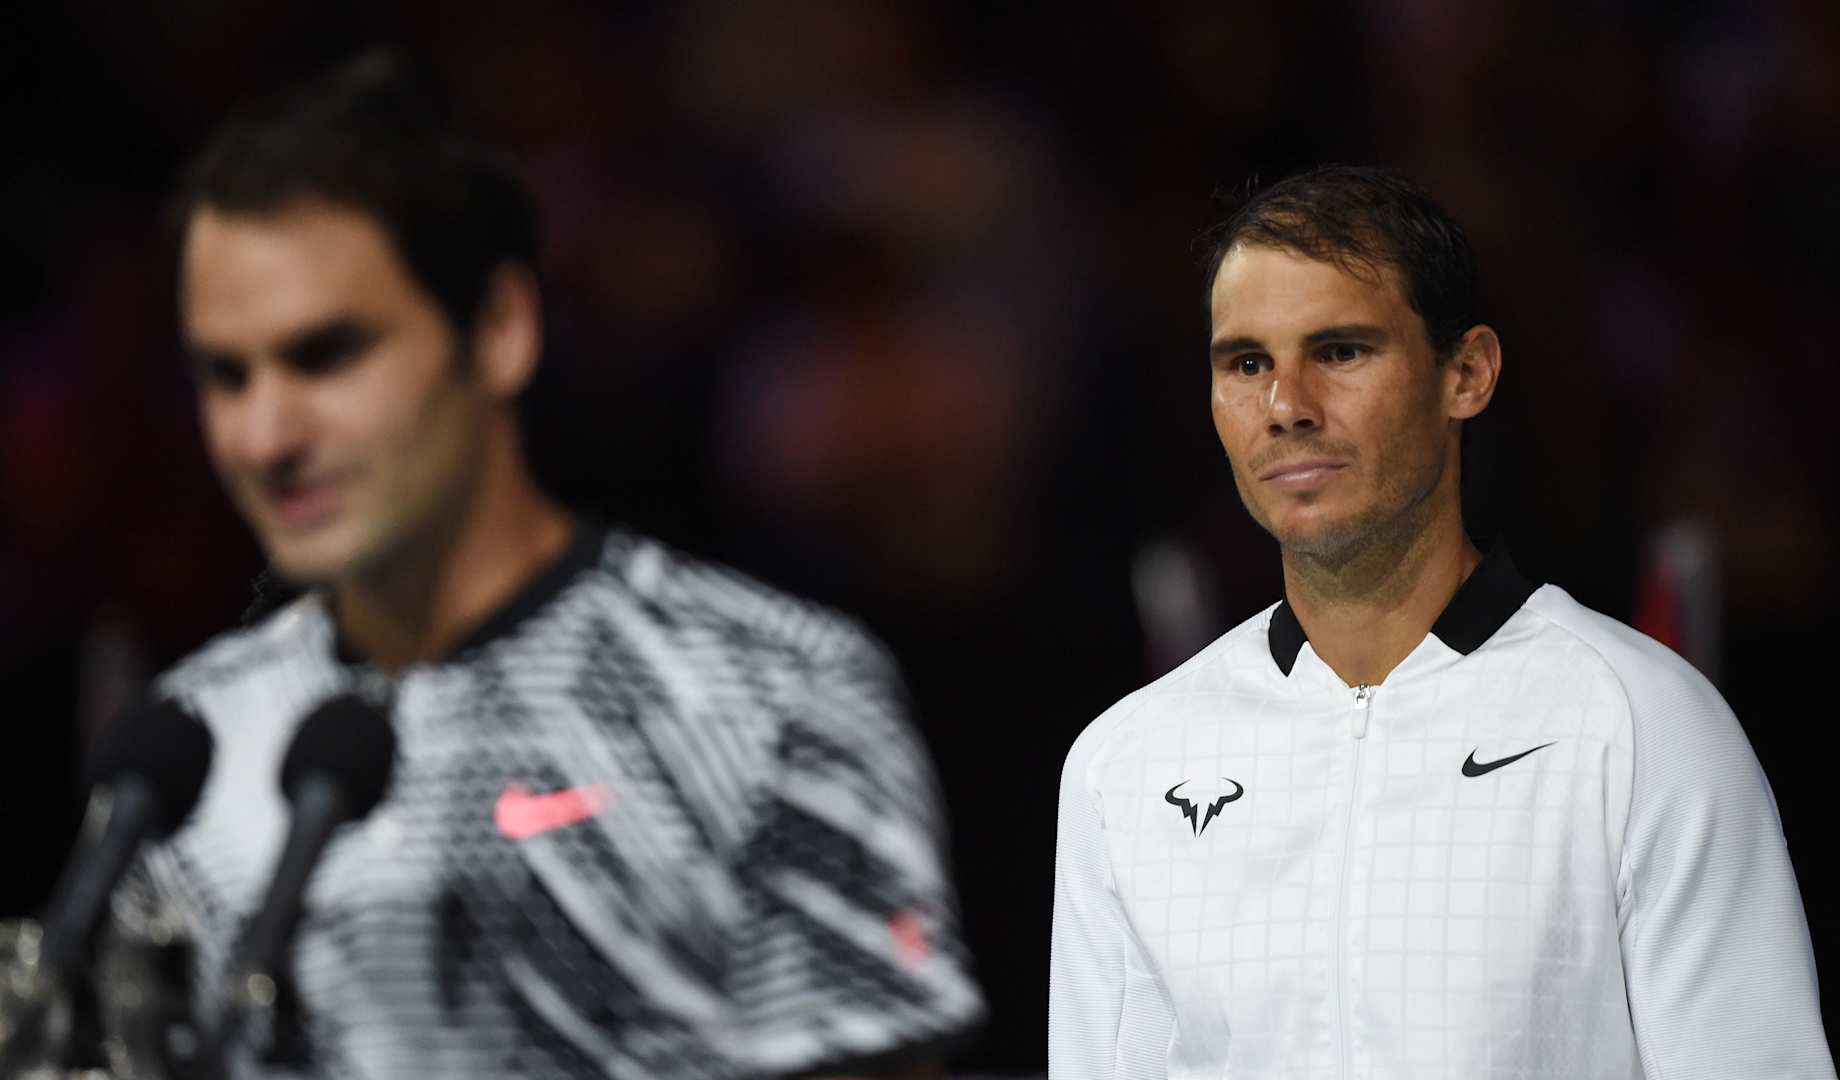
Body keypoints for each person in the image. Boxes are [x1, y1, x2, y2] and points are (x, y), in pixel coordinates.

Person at [120, 51, 981, 1079]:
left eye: (327, 355)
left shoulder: (776, 691)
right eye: (226, 375)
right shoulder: (187, 745)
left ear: (500, 329)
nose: (266, 435)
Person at [1049, 165, 1834, 1078]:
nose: (1287, 406)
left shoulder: (1642, 725)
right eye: (1248, 363)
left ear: (1466, 374)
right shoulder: (1126, 766)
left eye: (1340, 351)